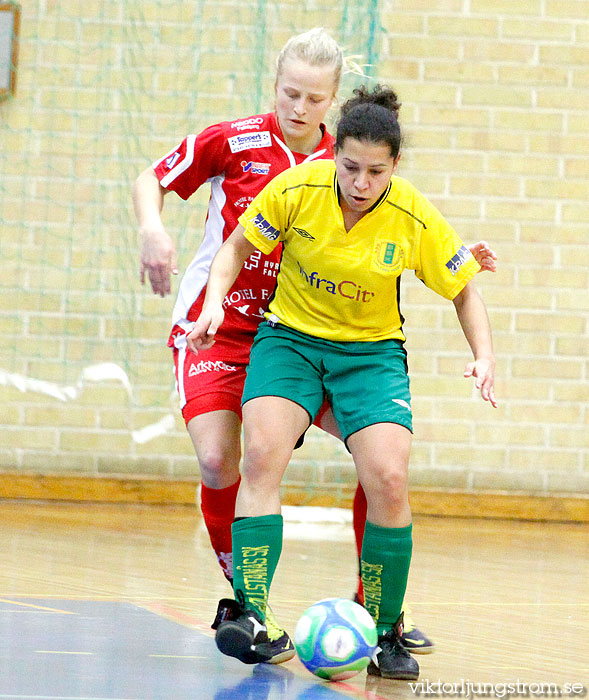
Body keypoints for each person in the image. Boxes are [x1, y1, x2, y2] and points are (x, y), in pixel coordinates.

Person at [133, 29, 495, 664]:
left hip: (347, 346)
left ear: (333, 102)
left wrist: (463, 266)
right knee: (230, 462)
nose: (298, 107)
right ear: (274, 85)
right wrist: (153, 231)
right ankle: (247, 603)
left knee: (383, 464)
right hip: (244, 330)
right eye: (289, 93)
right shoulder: (258, 156)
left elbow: (448, 265)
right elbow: (210, 227)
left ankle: (381, 606)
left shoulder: (359, 166)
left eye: (313, 97)